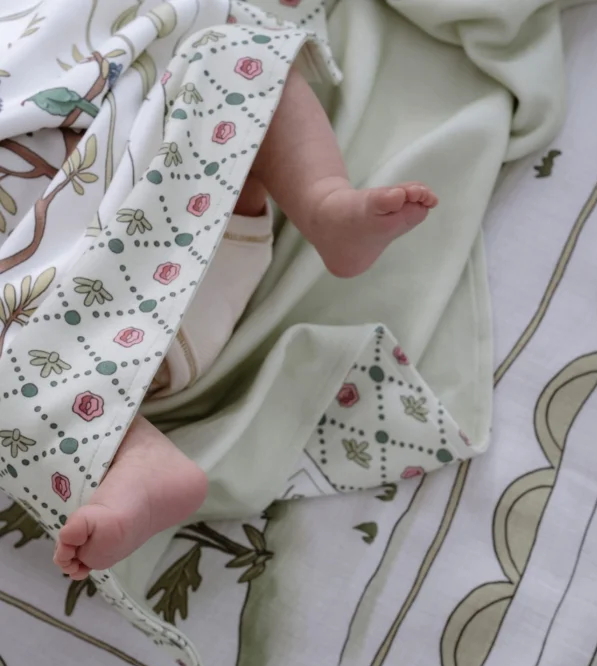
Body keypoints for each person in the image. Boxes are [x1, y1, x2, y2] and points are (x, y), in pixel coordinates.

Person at [53, 66, 438, 580]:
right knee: (244, 65)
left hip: (179, 200)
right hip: (93, 320)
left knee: (244, 61)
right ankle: (134, 450)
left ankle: (324, 202)